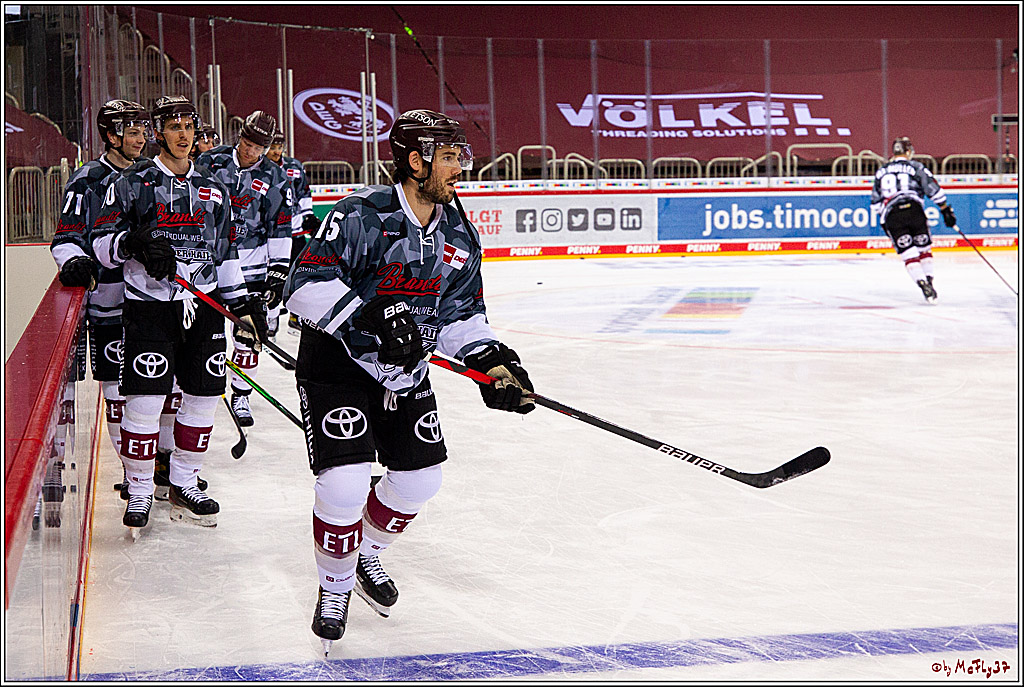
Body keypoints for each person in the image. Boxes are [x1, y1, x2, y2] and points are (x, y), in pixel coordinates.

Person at [282, 109, 536, 653]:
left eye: (460, 158)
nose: (460, 170)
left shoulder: (458, 234)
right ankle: (335, 586)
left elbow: (460, 314)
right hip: (338, 368)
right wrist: (369, 317)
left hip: (405, 371)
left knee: (421, 481)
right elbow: (303, 286)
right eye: (449, 159)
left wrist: (490, 364)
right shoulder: (359, 216)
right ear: (415, 160)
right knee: (345, 484)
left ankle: (366, 551)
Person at [92, 95, 268, 535]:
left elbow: (224, 253)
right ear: (158, 132)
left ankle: (185, 480)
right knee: (146, 401)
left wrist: (242, 304)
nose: (185, 135)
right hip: (149, 308)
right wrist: (131, 245)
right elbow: (100, 243)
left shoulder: (213, 188)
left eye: (190, 126)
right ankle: (138, 489)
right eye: (174, 127)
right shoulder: (132, 183)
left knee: (203, 396)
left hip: (203, 308)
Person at [197, 111, 292, 427]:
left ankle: (241, 394)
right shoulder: (210, 162)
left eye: (257, 146)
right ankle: (197, 388)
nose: (249, 150)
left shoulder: (275, 176)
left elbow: (280, 225)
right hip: (210, 261)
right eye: (246, 142)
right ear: (239, 135)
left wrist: (278, 272)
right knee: (202, 330)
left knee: (248, 333)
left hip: (252, 264)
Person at [870, 136, 957, 302]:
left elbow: (875, 203)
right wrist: (945, 209)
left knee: (909, 254)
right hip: (914, 210)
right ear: (908, 152)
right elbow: (933, 189)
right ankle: (930, 281)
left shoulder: (881, 171)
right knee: (924, 249)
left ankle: (922, 283)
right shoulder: (916, 166)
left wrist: (885, 221)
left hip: (892, 214)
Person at [266, 131, 319, 337]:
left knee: (299, 275)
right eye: (273, 147)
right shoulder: (260, 170)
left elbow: (303, 192)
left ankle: (295, 316)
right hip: (272, 235)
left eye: (280, 147)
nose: (277, 151)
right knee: (274, 277)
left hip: (295, 232)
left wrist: (308, 216)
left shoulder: (294, 167)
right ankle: (270, 314)